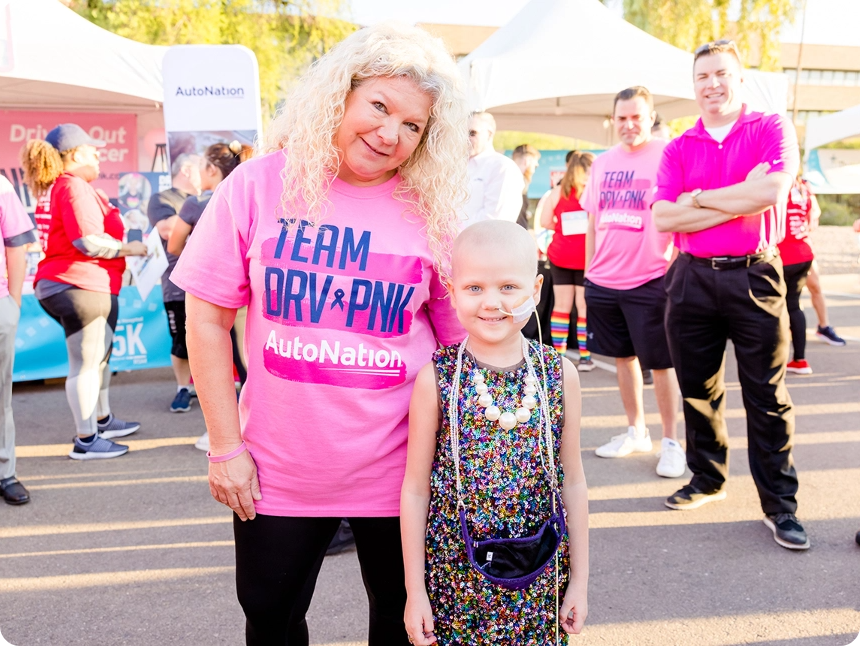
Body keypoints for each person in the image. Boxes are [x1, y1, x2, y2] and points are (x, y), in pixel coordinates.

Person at [169, 23, 469, 645]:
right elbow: (207, 317)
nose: (390, 134)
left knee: (403, 622)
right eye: (380, 106)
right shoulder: (257, 186)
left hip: (401, 471)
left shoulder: (430, 213)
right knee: (271, 620)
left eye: (412, 126)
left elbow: (457, 346)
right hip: (278, 470)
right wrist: (225, 446)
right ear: (342, 95)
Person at [652, 40, 808, 550]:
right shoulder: (678, 146)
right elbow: (662, 217)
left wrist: (694, 202)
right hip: (691, 276)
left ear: (740, 79)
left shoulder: (769, 128)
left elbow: (769, 193)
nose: (712, 84)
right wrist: (732, 199)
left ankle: (780, 507)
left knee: (767, 396)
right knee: (698, 389)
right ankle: (707, 479)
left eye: (721, 74)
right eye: (703, 77)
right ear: (693, 85)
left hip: (754, 276)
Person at [401, 220, 588, 644]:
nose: (492, 303)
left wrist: (579, 579)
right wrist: (415, 592)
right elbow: (415, 488)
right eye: (474, 288)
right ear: (451, 288)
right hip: (455, 577)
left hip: (540, 578)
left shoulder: (559, 374)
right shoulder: (437, 378)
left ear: (536, 289)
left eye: (508, 287)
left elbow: (573, 480)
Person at [23, 124, 146, 460]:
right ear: (75, 154)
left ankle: (100, 421)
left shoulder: (60, 186)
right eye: (94, 150)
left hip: (72, 282)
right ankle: (86, 440)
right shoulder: (73, 186)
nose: (99, 156)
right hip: (79, 283)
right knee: (87, 365)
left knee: (96, 361)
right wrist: (131, 249)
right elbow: (88, 241)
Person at [582, 87, 685, 479]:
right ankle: (636, 431)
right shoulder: (602, 162)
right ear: (614, 119)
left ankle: (672, 441)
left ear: (651, 116)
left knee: (661, 363)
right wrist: (590, 271)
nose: (629, 125)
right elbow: (593, 220)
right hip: (604, 280)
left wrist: (672, 269)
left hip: (650, 278)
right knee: (623, 359)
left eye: (636, 117)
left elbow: (680, 211)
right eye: (622, 118)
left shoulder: (666, 155)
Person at [168, 141, 250, 451]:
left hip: (210, 295)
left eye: (202, 167)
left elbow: (174, 247)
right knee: (247, 367)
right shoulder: (250, 197)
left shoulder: (195, 204)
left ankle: (220, 436)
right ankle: (244, 430)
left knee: (211, 363)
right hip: (247, 297)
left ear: (213, 170)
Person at [148, 153, 201, 413]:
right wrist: (198, 211)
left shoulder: (209, 196)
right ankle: (183, 388)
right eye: (202, 167)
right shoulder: (162, 198)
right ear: (188, 170)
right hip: (177, 284)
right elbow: (168, 229)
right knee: (181, 340)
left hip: (211, 283)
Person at [541, 151, 595, 372]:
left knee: (561, 307)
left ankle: (558, 358)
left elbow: (545, 221)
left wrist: (563, 230)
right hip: (586, 257)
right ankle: (585, 357)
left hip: (560, 255)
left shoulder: (556, 192)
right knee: (583, 307)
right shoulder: (592, 194)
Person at [0, 176, 36, 504]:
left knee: (0, 398)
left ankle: (5, 472)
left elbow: (15, 244)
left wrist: (12, 303)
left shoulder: (1, 186)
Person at [778, 176, 818, 374]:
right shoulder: (803, 187)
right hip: (804, 251)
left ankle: (775, 360)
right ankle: (799, 359)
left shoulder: (778, 185)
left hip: (782, 254)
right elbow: (814, 216)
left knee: (776, 308)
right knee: (793, 305)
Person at [461, 112, 524, 227]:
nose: (465, 138)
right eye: (461, 133)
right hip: (453, 242)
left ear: (489, 134)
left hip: (484, 242)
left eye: (472, 133)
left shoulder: (503, 167)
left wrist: (452, 233)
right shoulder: (457, 166)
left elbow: (495, 220)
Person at [511, 143, 541, 229]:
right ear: (527, 161)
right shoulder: (515, 180)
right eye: (535, 166)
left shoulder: (512, 179)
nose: (534, 171)